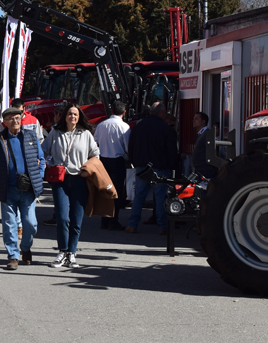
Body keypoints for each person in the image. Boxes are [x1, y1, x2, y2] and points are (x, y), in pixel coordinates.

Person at [0, 106, 44, 270]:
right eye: (11, 119)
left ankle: (26, 248)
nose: (15, 121)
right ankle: (13, 256)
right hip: (7, 188)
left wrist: (39, 175)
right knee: (9, 224)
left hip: (28, 189)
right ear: (4, 122)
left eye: (17, 118)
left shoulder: (30, 136)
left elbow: (41, 159)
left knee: (31, 223)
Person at [44, 102, 100, 269]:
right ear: (65, 116)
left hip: (79, 180)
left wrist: (88, 170)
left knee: (76, 218)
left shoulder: (85, 134)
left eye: (75, 114)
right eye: (70, 113)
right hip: (60, 180)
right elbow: (43, 151)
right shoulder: (55, 132)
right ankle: (62, 251)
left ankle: (72, 253)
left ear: (79, 116)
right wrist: (49, 164)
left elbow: (95, 154)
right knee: (62, 217)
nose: (72, 116)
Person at [126, 102, 179, 235]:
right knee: (160, 198)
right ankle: (162, 227)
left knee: (139, 196)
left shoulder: (139, 125)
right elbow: (171, 150)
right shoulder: (165, 128)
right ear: (161, 112)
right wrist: (173, 165)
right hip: (161, 168)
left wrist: (134, 162)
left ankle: (133, 225)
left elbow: (131, 146)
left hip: (142, 167)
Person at [93, 101, 129, 230]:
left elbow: (95, 142)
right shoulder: (124, 127)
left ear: (112, 111)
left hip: (103, 160)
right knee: (116, 192)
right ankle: (113, 220)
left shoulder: (101, 125)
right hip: (117, 161)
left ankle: (104, 220)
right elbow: (127, 146)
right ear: (124, 112)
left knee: (105, 190)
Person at [190, 111, 217, 178]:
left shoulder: (207, 134)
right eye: (193, 119)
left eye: (196, 119)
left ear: (203, 121)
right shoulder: (202, 134)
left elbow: (213, 151)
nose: (193, 121)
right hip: (200, 170)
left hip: (206, 171)